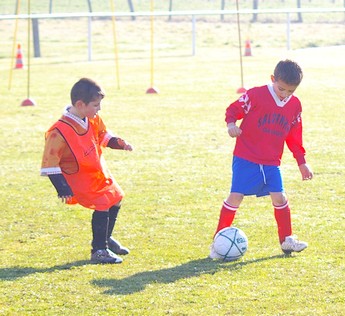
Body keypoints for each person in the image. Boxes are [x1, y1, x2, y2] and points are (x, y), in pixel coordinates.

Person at [210, 59, 313, 259]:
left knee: (280, 197)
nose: (285, 95)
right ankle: (218, 241)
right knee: (236, 197)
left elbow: (294, 136)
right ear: (272, 79)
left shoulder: (295, 105)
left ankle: (287, 240)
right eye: (281, 89)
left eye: (290, 91)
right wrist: (231, 124)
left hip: (272, 161)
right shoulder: (256, 94)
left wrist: (302, 162)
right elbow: (233, 109)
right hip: (246, 156)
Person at [41, 78, 133, 264]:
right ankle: (98, 250)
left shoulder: (92, 118)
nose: (98, 109)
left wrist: (118, 143)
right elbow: (50, 162)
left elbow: (103, 136)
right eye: (95, 105)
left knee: (116, 197)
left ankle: (105, 239)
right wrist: (62, 187)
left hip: (98, 172)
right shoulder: (59, 132)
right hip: (79, 178)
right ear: (80, 104)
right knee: (102, 202)